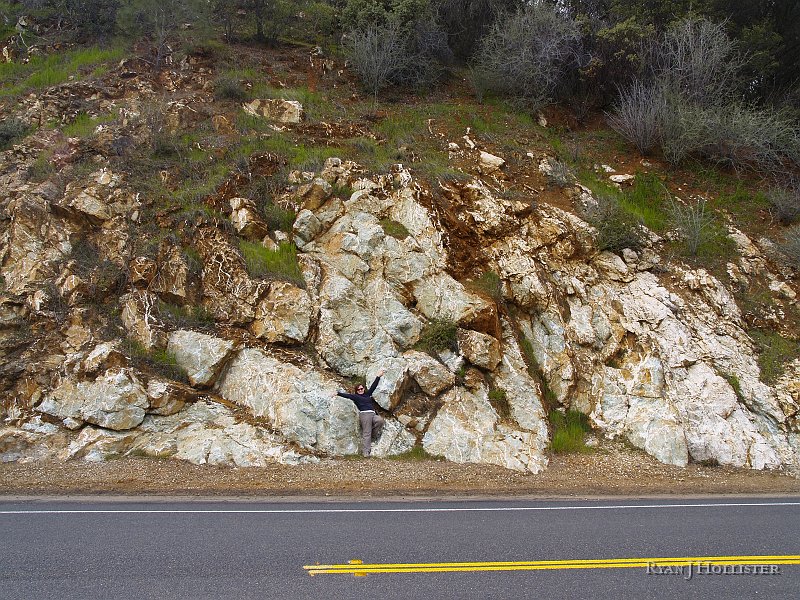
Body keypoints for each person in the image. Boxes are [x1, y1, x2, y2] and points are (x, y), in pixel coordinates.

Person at [335, 369, 385, 457]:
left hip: (373, 414)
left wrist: (378, 376)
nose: (360, 390)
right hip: (364, 414)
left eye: (362, 388)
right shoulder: (356, 397)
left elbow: (374, 386)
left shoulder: (368, 394)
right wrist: (337, 393)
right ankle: (365, 452)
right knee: (366, 432)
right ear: (356, 391)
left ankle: (372, 435)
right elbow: (347, 396)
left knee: (380, 421)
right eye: (358, 389)